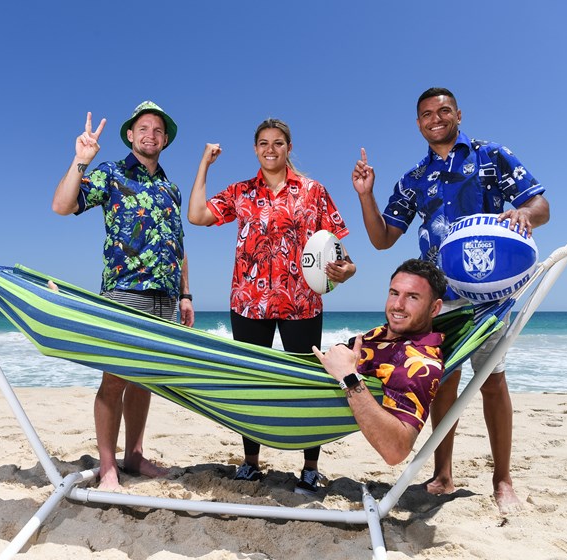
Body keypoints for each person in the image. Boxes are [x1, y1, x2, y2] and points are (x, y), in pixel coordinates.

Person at [350, 87, 550, 512]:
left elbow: (540, 204)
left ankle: (502, 480)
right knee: (441, 382)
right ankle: (443, 473)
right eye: (426, 114)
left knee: (492, 382)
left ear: (458, 114)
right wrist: (366, 194)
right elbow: (383, 239)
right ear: (418, 122)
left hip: (490, 294)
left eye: (443, 111)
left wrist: (524, 214)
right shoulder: (413, 178)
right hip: (438, 299)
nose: (435, 119)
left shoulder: (491, 155)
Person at [187, 118, 356, 495]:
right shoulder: (241, 192)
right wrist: (204, 165)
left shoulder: (314, 192)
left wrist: (345, 271)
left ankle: (310, 468)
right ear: (255, 149)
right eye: (263, 143)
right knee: (252, 384)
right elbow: (196, 215)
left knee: (308, 384)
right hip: (249, 303)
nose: (270, 149)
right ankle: (250, 464)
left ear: (288, 147)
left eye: (277, 143)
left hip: (302, 303)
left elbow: (344, 254)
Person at [52, 100, 195, 490]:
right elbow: (62, 205)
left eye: (158, 130)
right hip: (123, 293)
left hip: (165, 298)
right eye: (143, 128)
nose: (151, 135)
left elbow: (177, 245)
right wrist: (81, 159)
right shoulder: (111, 173)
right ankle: (108, 466)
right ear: (131, 135)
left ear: (165, 140)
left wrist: (186, 295)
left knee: (144, 378)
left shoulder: (171, 188)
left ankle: (133, 454)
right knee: (114, 379)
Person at [312, 259, 446, 465]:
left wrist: (349, 377)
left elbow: (396, 450)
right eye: (394, 293)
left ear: (434, 309)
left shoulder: (420, 366)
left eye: (412, 297)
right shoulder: (386, 334)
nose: (398, 305)